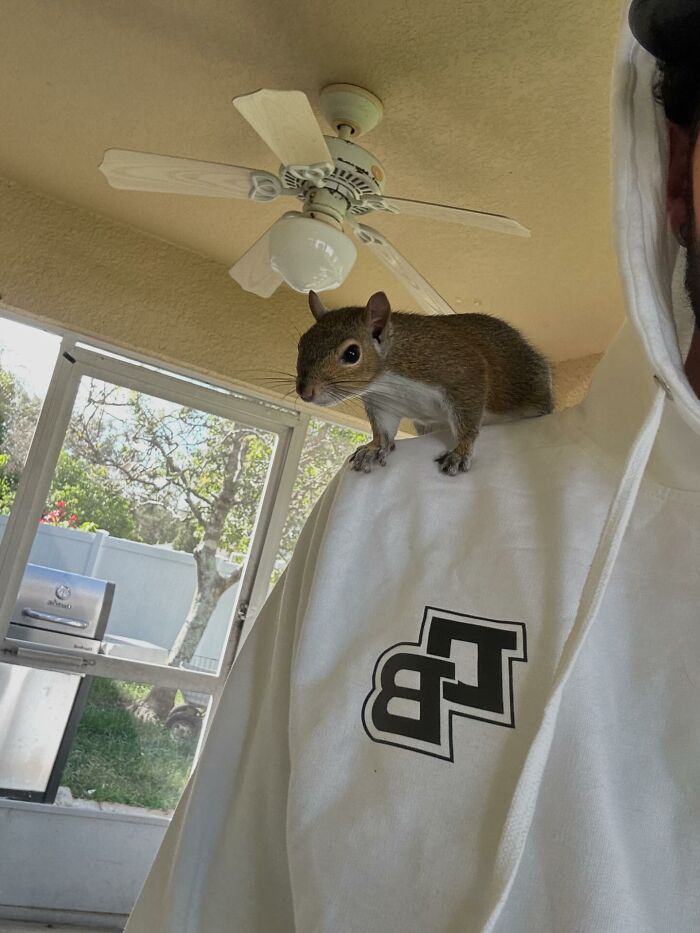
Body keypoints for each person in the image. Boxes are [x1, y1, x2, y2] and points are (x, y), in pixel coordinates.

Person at [125, 2, 700, 930]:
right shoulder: (378, 529)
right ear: (680, 171)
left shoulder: (438, 361)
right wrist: (410, 454)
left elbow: (471, 382)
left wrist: (468, 439)